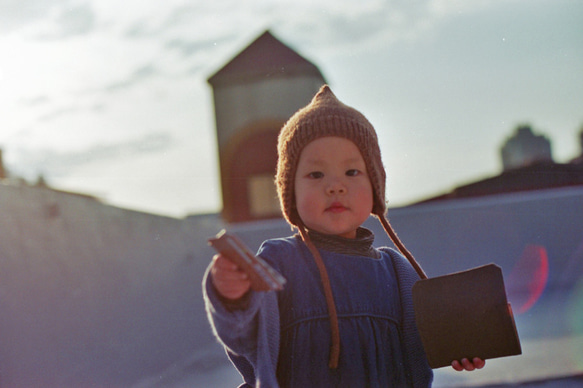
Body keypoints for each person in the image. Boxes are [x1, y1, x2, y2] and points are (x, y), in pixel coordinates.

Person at [203, 85, 485, 387]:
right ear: (290, 193)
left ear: (375, 187)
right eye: (316, 174)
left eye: (352, 173)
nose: (335, 186)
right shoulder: (278, 263)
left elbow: (424, 345)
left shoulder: (398, 271)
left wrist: (461, 347)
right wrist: (231, 297)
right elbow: (246, 337)